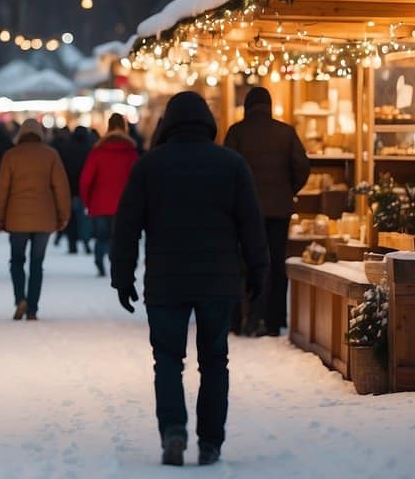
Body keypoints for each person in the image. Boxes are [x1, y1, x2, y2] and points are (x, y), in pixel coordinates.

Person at [111, 91, 268, 467]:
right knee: (215, 360)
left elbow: (127, 225)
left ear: (168, 124)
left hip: (166, 280)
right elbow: (251, 225)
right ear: (208, 124)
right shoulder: (231, 165)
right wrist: (258, 273)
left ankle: (174, 431)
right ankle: (211, 441)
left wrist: (122, 275)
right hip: (219, 280)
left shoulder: (150, 166)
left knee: (167, 360)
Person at [223, 86, 311, 336]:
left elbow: (227, 170)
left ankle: (241, 318)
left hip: (243, 212)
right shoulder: (286, 132)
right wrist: (288, 189)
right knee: (274, 263)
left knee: (243, 263)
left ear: (248, 106)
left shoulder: (236, 132)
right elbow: (302, 166)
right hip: (278, 211)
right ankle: (274, 321)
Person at [0, 119, 71, 321]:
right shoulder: (51, 155)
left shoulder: (11, 155)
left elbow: (2, 190)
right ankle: (33, 308)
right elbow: (61, 189)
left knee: (17, 260)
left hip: (17, 219)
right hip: (45, 219)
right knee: (37, 263)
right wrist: (63, 216)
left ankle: (20, 299)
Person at [80, 113, 140, 277]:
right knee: (118, 238)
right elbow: (138, 180)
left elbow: (86, 180)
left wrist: (88, 201)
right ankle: (116, 266)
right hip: (124, 204)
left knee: (102, 237)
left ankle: (99, 262)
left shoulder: (98, 151)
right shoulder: (131, 152)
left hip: (100, 203)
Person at [56, 125, 95, 255]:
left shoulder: (65, 148)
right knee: (84, 219)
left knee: (71, 218)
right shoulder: (90, 149)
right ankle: (85, 242)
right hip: (85, 190)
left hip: (69, 189)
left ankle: (72, 244)